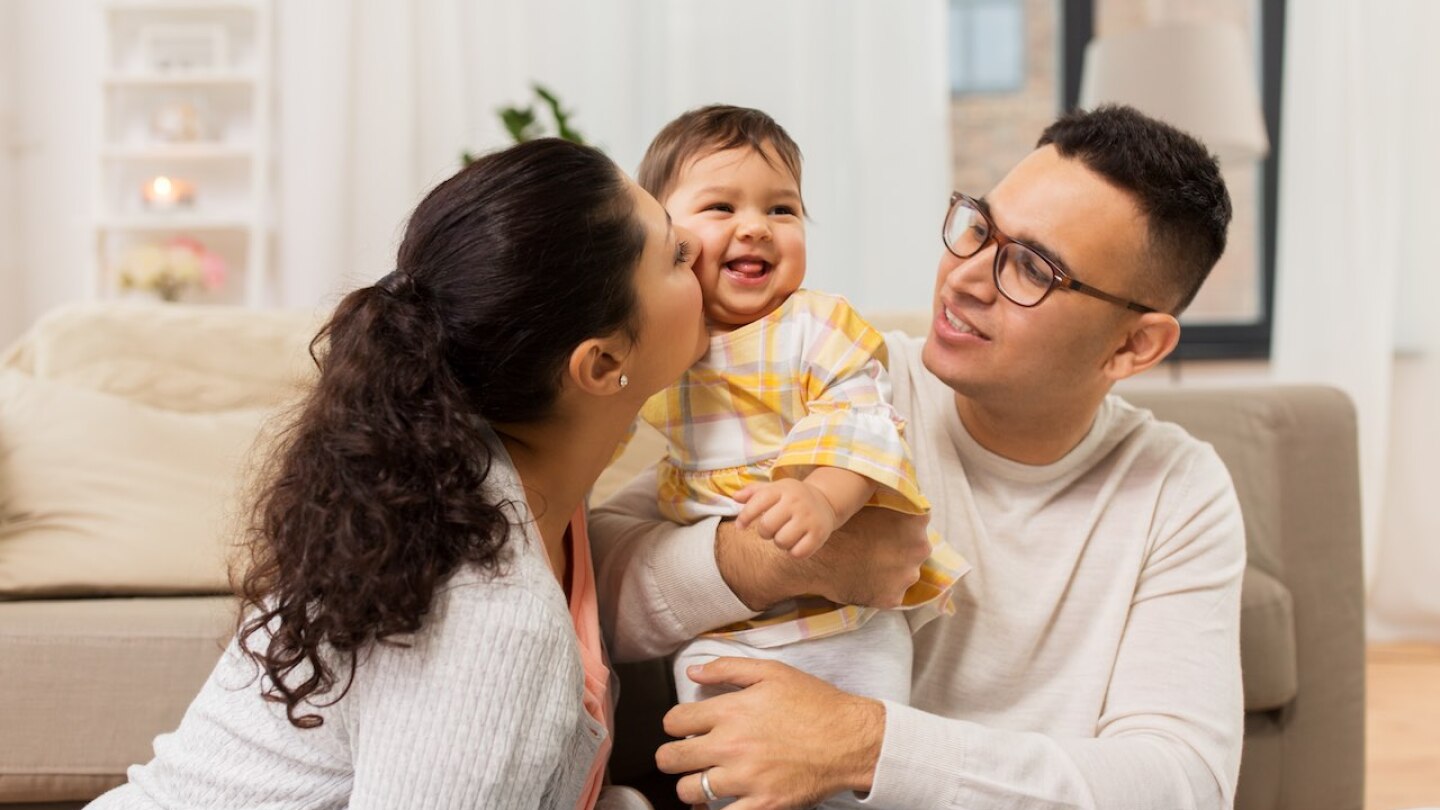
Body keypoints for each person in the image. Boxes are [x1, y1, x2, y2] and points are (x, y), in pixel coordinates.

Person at [592, 104, 1246, 810]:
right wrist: (777, 561)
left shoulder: (1177, 489)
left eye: (1031, 268)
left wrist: (862, 744)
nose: (964, 278)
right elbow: (591, 580)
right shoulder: (846, 384)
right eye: (978, 229)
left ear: (1133, 346)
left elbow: (1183, 784)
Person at [88, 138, 708, 809]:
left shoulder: (512, 499)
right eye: (674, 253)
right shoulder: (491, 620)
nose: (703, 251)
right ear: (599, 364)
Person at [631, 105, 966, 733]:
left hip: (844, 620)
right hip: (721, 625)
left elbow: (862, 423)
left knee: (857, 766)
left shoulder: (812, 326)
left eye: (781, 209)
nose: (756, 227)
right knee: (721, 756)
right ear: (662, 237)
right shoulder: (661, 341)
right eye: (722, 208)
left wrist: (822, 499)